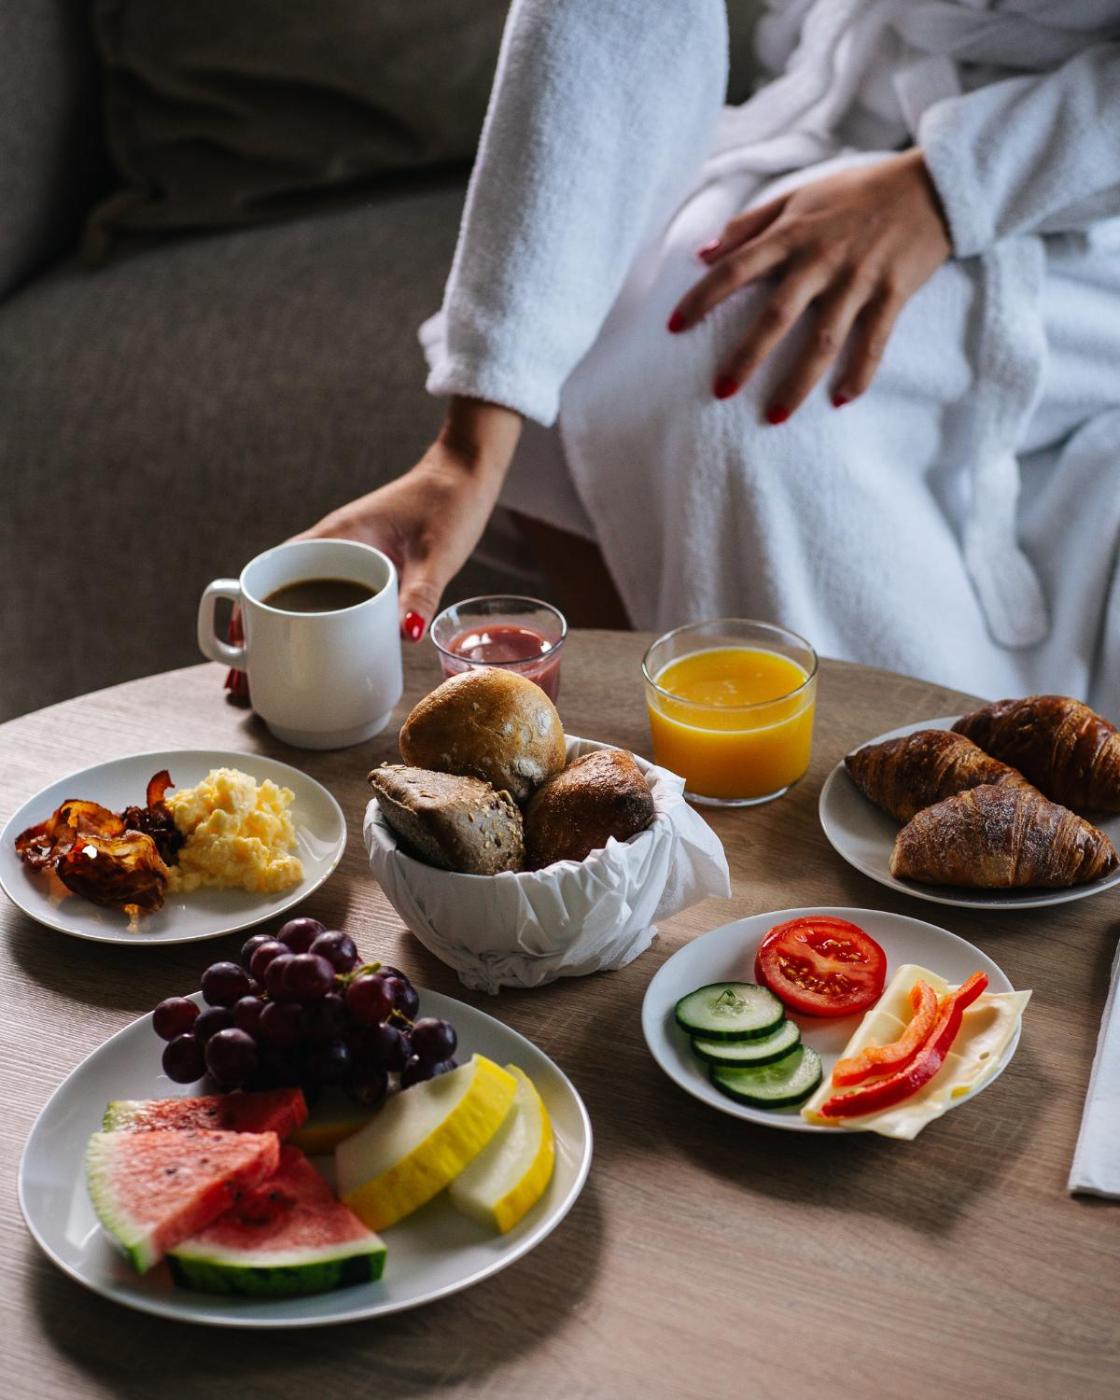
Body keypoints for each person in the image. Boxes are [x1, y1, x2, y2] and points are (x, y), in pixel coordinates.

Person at [302, 0, 1120, 707]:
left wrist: (950, 185)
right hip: (848, 120)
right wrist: (469, 449)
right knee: (560, 342)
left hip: (1072, 180)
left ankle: (901, 791)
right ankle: (649, 789)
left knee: (746, 393)